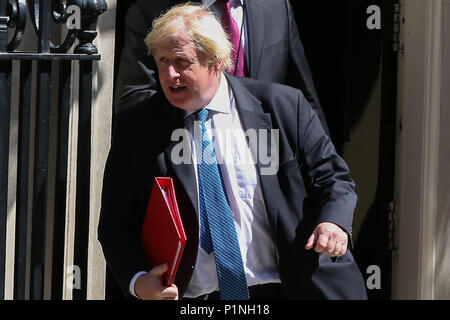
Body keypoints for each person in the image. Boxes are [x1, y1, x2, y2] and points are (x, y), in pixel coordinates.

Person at [98, 4, 367, 300]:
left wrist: (333, 222)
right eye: (162, 61)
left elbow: (334, 179)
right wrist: (138, 282)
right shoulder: (137, 128)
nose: (170, 74)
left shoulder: (284, 107)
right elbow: (115, 226)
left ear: (216, 61)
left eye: (181, 61)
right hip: (196, 297)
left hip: (289, 286)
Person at [114, 0, 329, 133]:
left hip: (264, 162)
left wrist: (324, 168)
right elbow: (134, 98)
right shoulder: (151, 11)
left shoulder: (276, 7)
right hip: (189, 158)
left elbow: (304, 97)